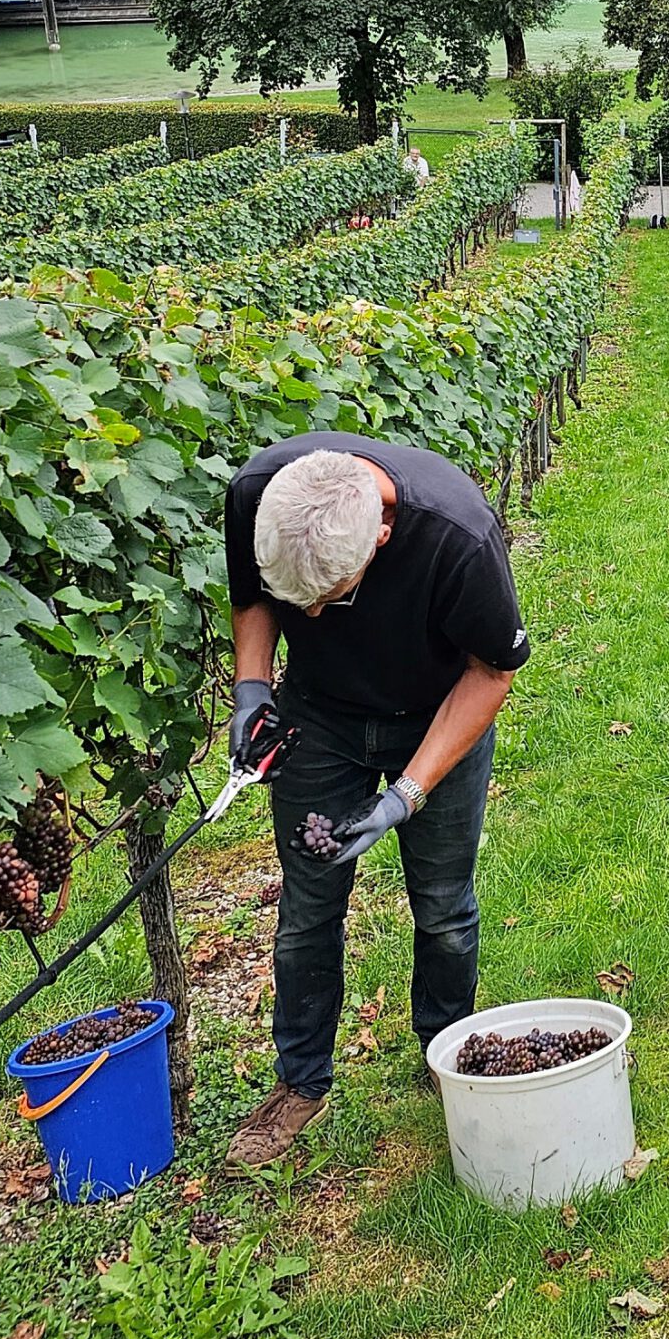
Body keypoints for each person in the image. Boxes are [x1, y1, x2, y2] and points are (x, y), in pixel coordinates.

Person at [222, 434, 529, 1167]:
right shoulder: (258, 494)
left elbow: (491, 674)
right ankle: (300, 1083)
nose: (315, 619)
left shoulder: (459, 536)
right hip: (319, 717)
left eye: (329, 598)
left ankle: (445, 1053)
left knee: (445, 907)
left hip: (435, 712)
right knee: (306, 911)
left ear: (382, 537)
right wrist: (254, 687)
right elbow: (251, 599)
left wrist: (407, 794)